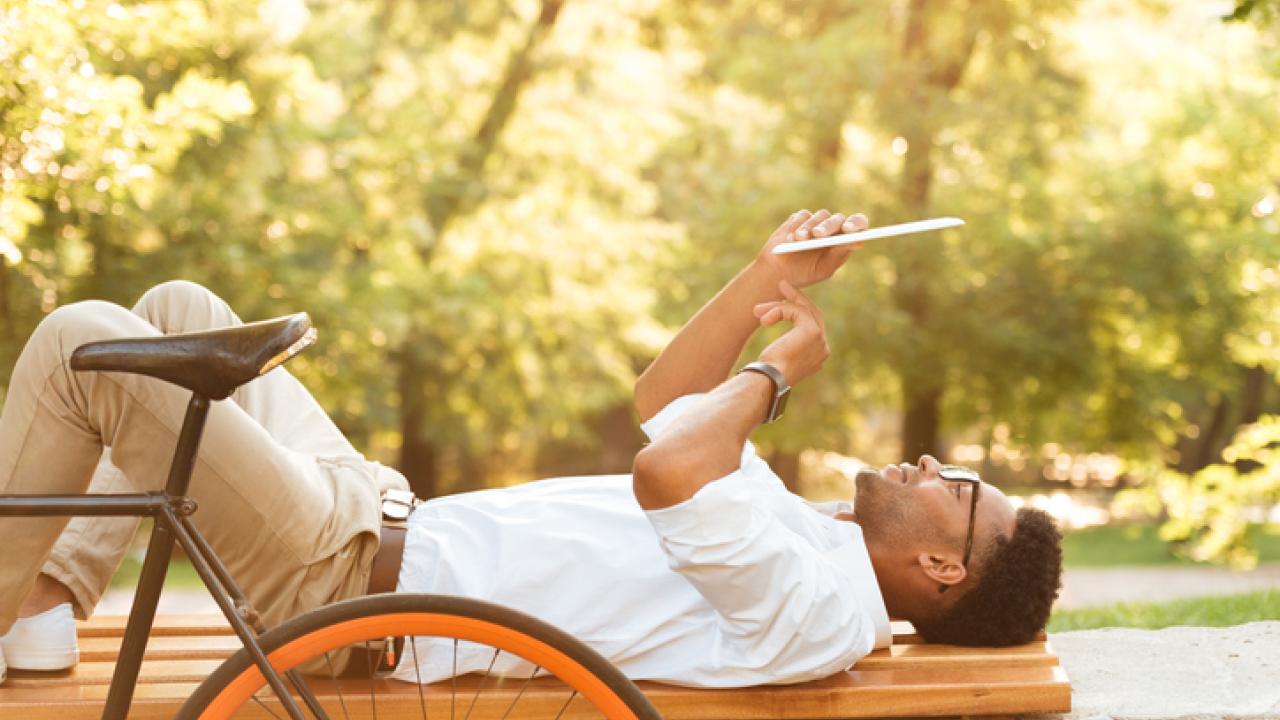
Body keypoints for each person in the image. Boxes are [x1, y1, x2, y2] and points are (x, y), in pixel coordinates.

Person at [0, 209, 1062, 687]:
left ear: (941, 566)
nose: (934, 465)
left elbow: (668, 468)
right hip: (368, 516)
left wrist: (779, 374)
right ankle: (44, 603)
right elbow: (665, 402)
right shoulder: (809, 544)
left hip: (337, 582)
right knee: (177, 308)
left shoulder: (814, 604)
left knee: (79, 344)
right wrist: (765, 277)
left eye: (958, 487)